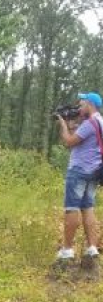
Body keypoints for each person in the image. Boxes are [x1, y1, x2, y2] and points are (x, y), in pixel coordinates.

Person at [54, 92, 103, 262]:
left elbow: (69, 141)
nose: (79, 107)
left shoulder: (90, 123)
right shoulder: (100, 122)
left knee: (72, 208)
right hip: (94, 172)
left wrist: (63, 125)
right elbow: (84, 140)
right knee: (88, 208)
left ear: (90, 104)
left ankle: (67, 250)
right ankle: (92, 249)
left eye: (82, 104)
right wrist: (72, 124)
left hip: (79, 170)